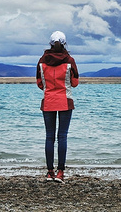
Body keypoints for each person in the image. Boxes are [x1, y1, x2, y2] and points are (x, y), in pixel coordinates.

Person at [36, 31, 79, 184]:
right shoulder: (70, 60)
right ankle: (60, 172)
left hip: (48, 101)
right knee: (62, 137)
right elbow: (74, 82)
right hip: (65, 101)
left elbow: (40, 84)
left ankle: (49, 172)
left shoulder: (42, 61)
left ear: (50, 43)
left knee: (49, 137)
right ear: (64, 43)